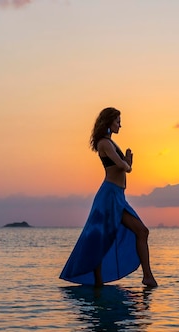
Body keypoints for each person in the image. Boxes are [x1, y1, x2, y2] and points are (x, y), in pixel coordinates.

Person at [60, 107, 158, 287]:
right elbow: (121, 166)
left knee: (133, 233)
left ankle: (144, 276)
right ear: (108, 122)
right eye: (118, 121)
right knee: (102, 238)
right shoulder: (104, 144)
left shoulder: (111, 143)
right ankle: (145, 277)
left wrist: (128, 164)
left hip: (118, 195)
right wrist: (128, 164)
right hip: (109, 196)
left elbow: (123, 166)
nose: (120, 124)